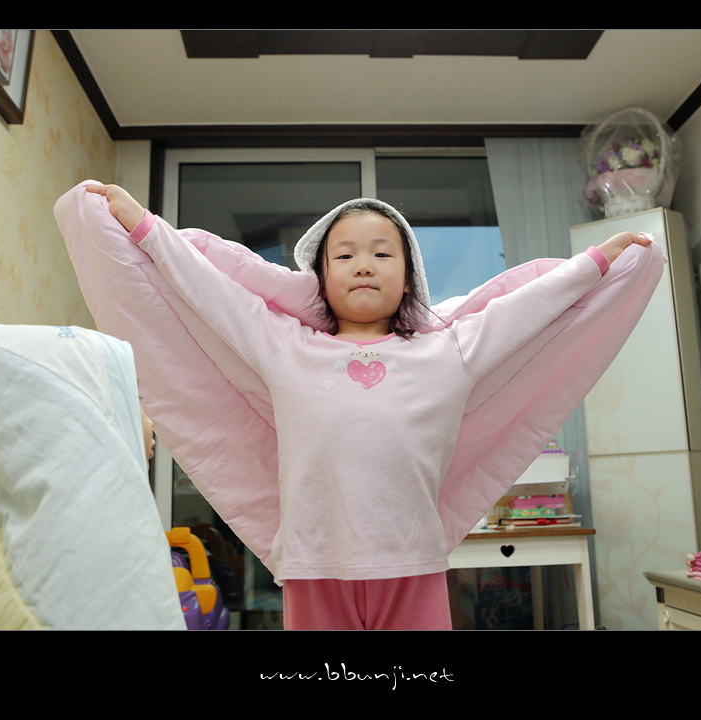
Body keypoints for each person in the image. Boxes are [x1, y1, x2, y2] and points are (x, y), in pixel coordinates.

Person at [58, 182, 663, 629]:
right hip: (313, 566)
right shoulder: (284, 347)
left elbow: (526, 310)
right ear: (320, 278)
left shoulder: (450, 350)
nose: (364, 265)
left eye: (382, 253)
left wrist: (597, 262)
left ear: (410, 276)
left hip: (413, 564)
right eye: (344, 256)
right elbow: (212, 293)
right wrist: (145, 228)